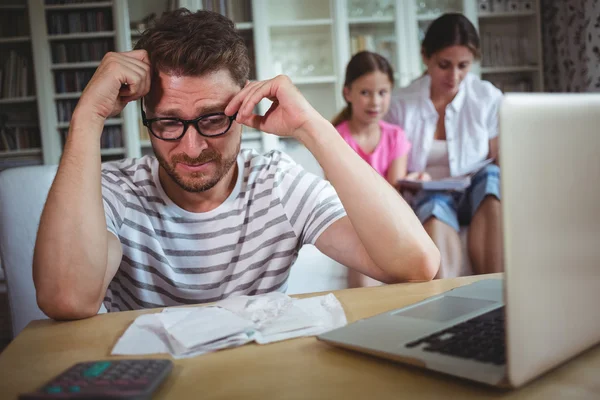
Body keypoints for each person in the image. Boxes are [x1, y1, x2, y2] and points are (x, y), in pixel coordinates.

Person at [32, 9, 440, 320]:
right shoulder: (116, 191)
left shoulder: (276, 184)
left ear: (242, 106)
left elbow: (416, 265)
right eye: (169, 123)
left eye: (212, 119)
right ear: (146, 118)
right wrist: (87, 116)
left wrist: (313, 127)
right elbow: (66, 298)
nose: (192, 148)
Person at [385, 13, 503, 279]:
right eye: (444, 65)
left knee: (493, 177)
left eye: (464, 65)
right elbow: (387, 167)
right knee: (435, 203)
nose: (454, 76)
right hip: (427, 193)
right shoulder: (401, 104)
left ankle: (495, 293)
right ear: (425, 57)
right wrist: (408, 179)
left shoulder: (487, 97)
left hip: (475, 193)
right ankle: (448, 306)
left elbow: (499, 159)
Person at [331, 51, 412, 288]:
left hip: (388, 214)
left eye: (382, 93)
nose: (375, 101)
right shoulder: (336, 137)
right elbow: (338, 191)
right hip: (353, 216)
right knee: (362, 247)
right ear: (348, 93)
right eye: (365, 93)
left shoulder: (395, 136)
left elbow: (396, 191)